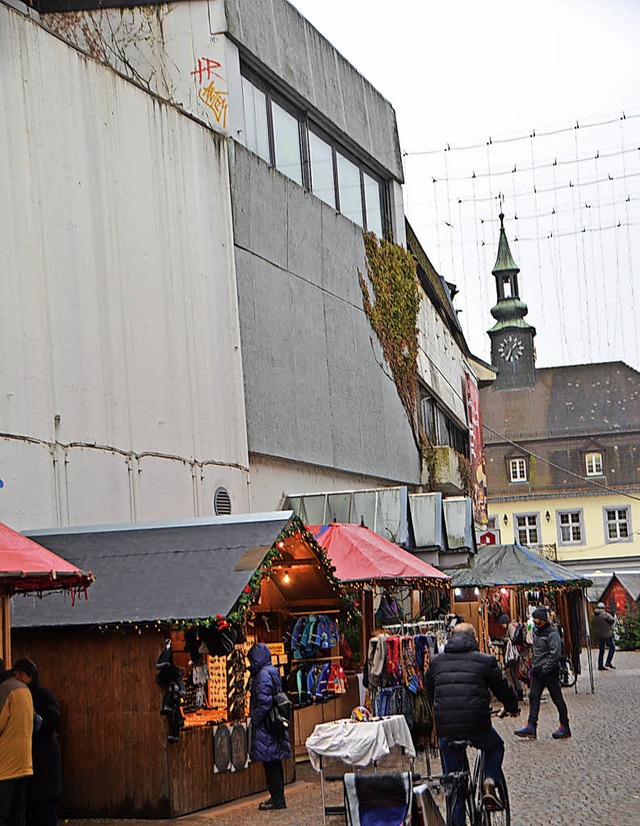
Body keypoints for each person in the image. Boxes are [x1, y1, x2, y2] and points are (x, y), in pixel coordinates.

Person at [424, 623, 519, 826]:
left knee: (455, 783)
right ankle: (489, 782)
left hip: (447, 730)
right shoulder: (484, 661)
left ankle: (457, 818)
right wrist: (512, 707)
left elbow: (429, 693)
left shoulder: (435, 662)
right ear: (474, 638)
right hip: (477, 725)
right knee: (495, 746)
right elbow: (503, 688)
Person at [12, 660, 61, 826]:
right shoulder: (19, 695)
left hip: (44, 760)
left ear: (29, 675)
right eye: (15, 674)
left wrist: (35, 721)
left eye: (20, 674)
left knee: (45, 809)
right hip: (28, 761)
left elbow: (53, 718)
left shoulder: (42, 695)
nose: (17, 677)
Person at [515, 607, 571, 740]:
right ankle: (531, 726)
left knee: (557, 698)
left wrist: (546, 668)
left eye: (537, 621)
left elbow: (555, 653)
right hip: (537, 672)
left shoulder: (552, 633)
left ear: (543, 620)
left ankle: (565, 726)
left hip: (549, 672)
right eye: (534, 621)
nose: (535, 623)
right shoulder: (537, 632)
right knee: (534, 698)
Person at [247, 643, 291, 811]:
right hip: (274, 723)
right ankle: (278, 796)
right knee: (274, 760)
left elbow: (264, 701)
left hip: (267, 725)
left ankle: (277, 797)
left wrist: (255, 719)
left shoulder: (262, 675)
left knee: (270, 761)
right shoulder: (271, 671)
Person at [0, 658, 34, 826]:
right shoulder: (24, 689)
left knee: (2, 815)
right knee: (18, 813)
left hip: (5, 766)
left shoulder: (4, 690)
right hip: (24, 763)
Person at [592, 602, 616, 671]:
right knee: (612, 647)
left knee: (601, 650)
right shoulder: (605, 614)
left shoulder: (595, 615)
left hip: (599, 635)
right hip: (606, 634)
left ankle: (600, 665)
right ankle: (608, 662)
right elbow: (612, 620)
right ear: (603, 608)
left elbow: (593, 624)